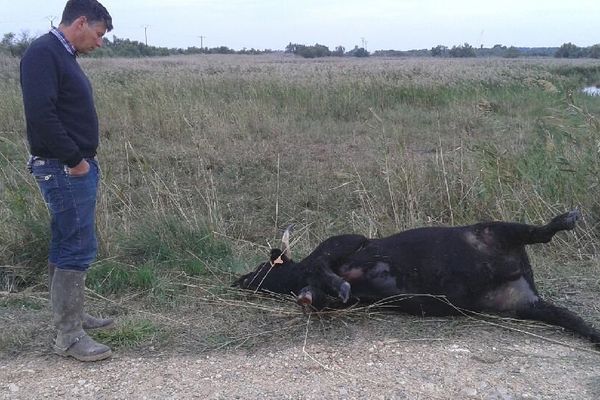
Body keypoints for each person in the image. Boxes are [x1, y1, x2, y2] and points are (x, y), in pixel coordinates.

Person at [20, 0, 114, 362]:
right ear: (80, 23)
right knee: (76, 245)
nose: (100, 42)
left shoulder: (60, 54)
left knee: (67, 240)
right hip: (63, 167)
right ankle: (69, 336)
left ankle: (70, 315)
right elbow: (41, 114)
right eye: (99, 34)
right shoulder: (44, 53)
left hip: (68, 165)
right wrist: (75, 161)